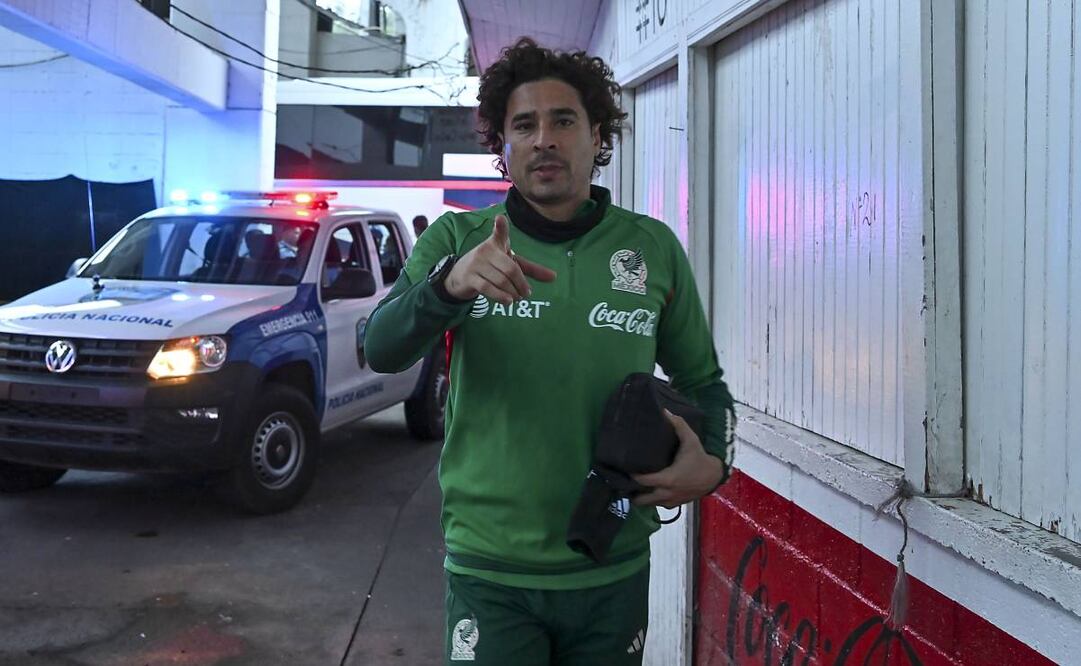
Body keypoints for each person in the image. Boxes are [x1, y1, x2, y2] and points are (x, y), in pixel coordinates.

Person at [365, 37, 733, 665]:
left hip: (610, 562)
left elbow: (704, 383)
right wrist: (448, 284)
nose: (544, 139)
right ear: (502, 146)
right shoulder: (460, 238)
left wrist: (715, 463)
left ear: (598, 135)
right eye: (524, 125)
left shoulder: (651, 249)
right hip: (490, 570)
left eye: (564, 120)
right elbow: (380, 347)